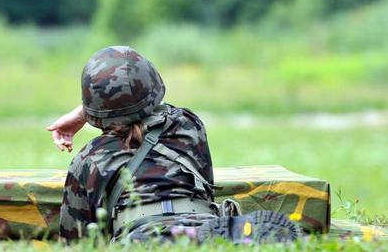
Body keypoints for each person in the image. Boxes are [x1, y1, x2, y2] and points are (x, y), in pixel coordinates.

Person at [47, 46, 299, 244]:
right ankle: (202, 232)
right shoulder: (189, 126)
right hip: (203, 224)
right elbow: (206, 189)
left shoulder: (89, 159)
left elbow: (77, 241)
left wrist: (91, 112)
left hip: (138, 234)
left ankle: (155, 236)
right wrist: (90, 112)